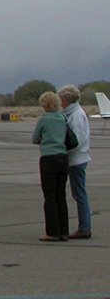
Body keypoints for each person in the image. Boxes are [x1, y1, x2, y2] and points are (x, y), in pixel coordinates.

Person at [32, 90, 70, 241]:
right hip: (63, 157)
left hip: (49, 157)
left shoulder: (44, 119)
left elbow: (35, 138)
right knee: (61, 194)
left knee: (50, 196)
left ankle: (52, 231)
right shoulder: (63, 117)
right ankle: (63, 230)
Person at [58, 84, 91, 239]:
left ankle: (84, 227)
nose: (61, 102)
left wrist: (65, 152)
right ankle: (84, 226)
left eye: (62, 99)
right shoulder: (71, 114)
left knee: (79, 195)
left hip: (77, 160)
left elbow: (78, 140)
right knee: (78, 194)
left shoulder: (76, 115)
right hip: (76, 158)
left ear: (67, 99)